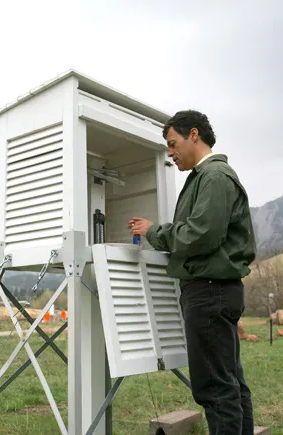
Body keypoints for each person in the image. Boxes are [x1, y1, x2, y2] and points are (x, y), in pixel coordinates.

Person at [128, 110, 256, 435]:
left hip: (209, 292)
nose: (170, 154)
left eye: (173, 144)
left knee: (215, 388)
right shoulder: (206, 177)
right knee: (230, 384)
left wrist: (155, 232)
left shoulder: (213, 177)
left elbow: (201, 234)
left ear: (194, 134)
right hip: (218, 290)